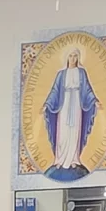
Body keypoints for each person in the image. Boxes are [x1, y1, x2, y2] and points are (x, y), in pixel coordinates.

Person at [43, 44, 96, 178]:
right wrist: (47, 104)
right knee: (63, 131)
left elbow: (87, 89)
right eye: (71, 56)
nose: (73, 59)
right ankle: (60, 159)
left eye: (75, 56)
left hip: (77, 102)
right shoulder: (61, 74)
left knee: (74, 131)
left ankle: (73, 159)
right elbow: (55, 91)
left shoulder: (81, 73)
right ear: (67, 58)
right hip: (64, 103)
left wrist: (95, 101)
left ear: (78, 58)